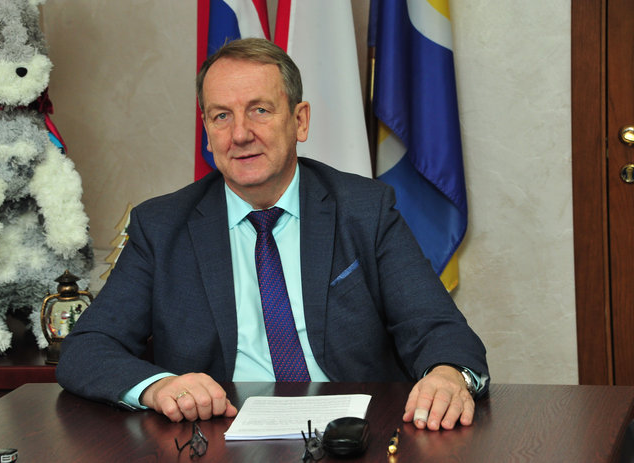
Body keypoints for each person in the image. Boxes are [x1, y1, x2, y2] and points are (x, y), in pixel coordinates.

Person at [56, 37, 489, 432]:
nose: (240, 134)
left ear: (300, 121)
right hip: (218, 436)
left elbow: (438, 328)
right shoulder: (161, 226)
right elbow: (87, 349)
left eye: (259, 110)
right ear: (207, 131)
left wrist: (447, 374)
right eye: (221, 116)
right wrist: (158, 386)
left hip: (353, 435)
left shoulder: (364, 210)